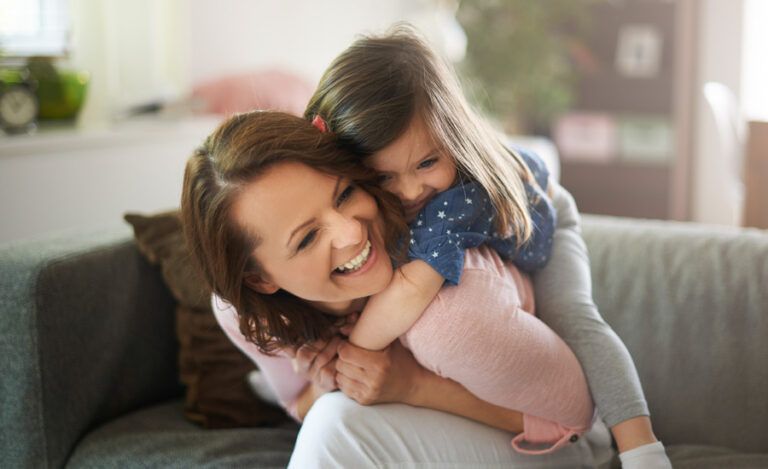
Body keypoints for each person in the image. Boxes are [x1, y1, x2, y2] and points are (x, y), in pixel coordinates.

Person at [303, 25, 671, 468]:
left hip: (544, 213)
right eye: (383, 177)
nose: (410, 189)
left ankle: (640, 445)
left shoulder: (456, 197)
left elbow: (412, 289)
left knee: (574, 318)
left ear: (453, 140)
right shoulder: (390, 192)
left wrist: (353, 353)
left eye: (427, 162)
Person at [181, 110, 613, 467]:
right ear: (260, 279)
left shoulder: (448, 306)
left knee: (335, 428)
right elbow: (299, 404)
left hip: (559, 444)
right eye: (308, 238)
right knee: (330, 415)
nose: (351, 233)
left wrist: (412, 385)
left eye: (345, 193)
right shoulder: (248, 312)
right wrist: (327, 379)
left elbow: (576, 418)